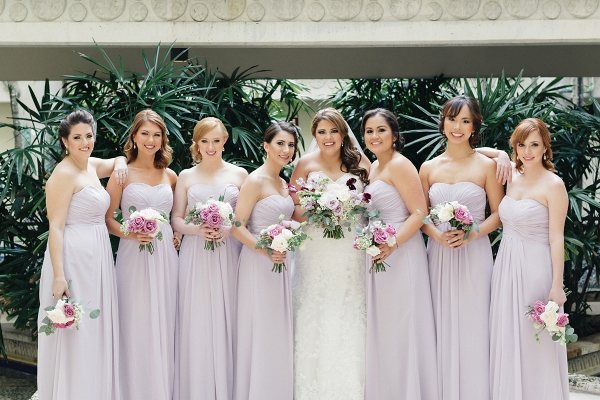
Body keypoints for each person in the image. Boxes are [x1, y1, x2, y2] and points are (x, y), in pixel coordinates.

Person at [37, 110, 127, 400]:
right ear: (65, 141)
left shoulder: (89, 166)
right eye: (77, 137)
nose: (85, 142)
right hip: (73, 259)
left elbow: (115, 162)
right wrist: (60, 275)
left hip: (97, 257)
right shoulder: (63, 174)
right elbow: (56, 227)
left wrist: (123, 160)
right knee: (78, 332)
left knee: (94, 330)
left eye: (89, 135)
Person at [419, 95, 504, 400]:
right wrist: (436, 234)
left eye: (465, 121)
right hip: (438, 254)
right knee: (438, 324)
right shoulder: (427, 168)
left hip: (474, 254)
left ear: (474, 126)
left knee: (475, 324)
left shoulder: (487, 165)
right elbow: (419, 215)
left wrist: (473, 233)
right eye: (453, 119)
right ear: (442, 122)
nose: (457, 126)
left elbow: (499, 213)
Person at [290, 108, 371, 400]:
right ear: (315, 135)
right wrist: (317, 211)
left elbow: (377, 196)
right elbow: (294, 208)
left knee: (349, 311)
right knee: (315, 309)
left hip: (350, 249)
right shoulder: (304, 164)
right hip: (316, 249)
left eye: (333, 131)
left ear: (343, 133)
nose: (328, 137)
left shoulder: (360, 162)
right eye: (322, 132)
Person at [360, 108, 439, 400]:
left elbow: (419, 213)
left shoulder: (400, 164)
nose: (374, 135)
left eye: (381, 129)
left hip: (402, 253)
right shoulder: (373, 168)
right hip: (379, 254)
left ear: (394, 134)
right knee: (386, 330)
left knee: (404, 325)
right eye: (369, 130)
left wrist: (392, 244)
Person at [488, 118, 569, 400]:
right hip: (506, 266)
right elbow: (477, 152)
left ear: (546, 147)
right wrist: (499, 154)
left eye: (534, 144)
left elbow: (556, 238)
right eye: (521, 145)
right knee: (508, 334)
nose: (527, 151)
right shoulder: (511, 174)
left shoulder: (554, 184)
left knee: (534, 338)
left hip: (536, 267)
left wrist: (557, 286)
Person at [104, 110, 178, 400]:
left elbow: (176, 217)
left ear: (163, 139)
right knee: (136, 322)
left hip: (165, 258)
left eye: (156, 134)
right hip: (133, 256)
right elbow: (107, 218)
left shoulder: (170, 175)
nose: (151, 140)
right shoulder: (122, 174)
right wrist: (130, 233)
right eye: (145, 133)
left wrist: (180, 234)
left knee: (166, 320)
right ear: (134, 136)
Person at [171, 117, 247, 400]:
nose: (211, 146)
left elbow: (248, 219)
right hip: (195, 254)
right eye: (205, 141)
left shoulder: (241, 175)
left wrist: (230, 230)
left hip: (229, 252)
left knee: (230, 314)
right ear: (197, 144)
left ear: (225, 140)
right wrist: (196, 229)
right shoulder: (186, 176)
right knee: (198, 317)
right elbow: (176, 219)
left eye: (216, 140)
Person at [232, 122, 298, 400]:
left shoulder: (284, 183)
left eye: (291, 145)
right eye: (280, 143)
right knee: (261, 329)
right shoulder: (255, 180)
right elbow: (237, 226)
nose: (286, 150)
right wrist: (266, 251)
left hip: (283, 264)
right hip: (259, 264)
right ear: (266, 146)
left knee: (278, 331)